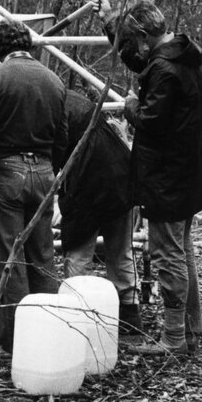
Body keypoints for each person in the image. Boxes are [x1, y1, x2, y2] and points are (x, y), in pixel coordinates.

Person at [92, 0, 202, 356]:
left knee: (168, 256)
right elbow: (137, 57)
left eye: (135, 40)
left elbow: (152, 120)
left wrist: (131, 106)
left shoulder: (165, 70)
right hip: (187, 174)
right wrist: (111, 20)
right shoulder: (178, 55)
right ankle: (190, 330)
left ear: (146, 37)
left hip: (169, 178)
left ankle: (175, 338)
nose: (133, 50)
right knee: (183, 252)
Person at [0, 21, 68, 348]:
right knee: (43, 253)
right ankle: (50, 333)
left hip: (7, 171)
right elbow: (62, 136)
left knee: (10, 257)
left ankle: (21, 342)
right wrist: (55, 173)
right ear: (29, 45)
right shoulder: (54, 80)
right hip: (45, 172)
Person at [58, 86, 143, 336]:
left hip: (90, 181)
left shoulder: (57, 107)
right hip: (120, 177)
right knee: (120, 250)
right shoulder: (79, 105)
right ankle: (129, 311)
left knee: (78, 250)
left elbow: (59, 148)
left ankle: (76, 311)